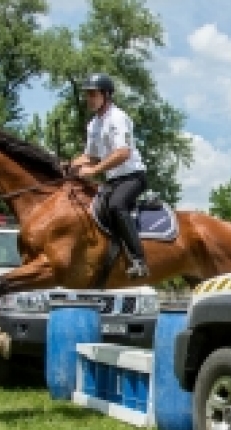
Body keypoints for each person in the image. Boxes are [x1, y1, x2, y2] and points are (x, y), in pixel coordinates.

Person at [71, 73, 149, 278]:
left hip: (133, 176)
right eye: (87, 95)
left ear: (106, 95)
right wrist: (70, 165)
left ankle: (139, 260)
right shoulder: (93, 124)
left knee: (116, 205)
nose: (89, 99)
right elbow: (91, 156)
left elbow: (123, 153)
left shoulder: (118, 118)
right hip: (113, 180)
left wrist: (95, 171)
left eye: (93, 94)